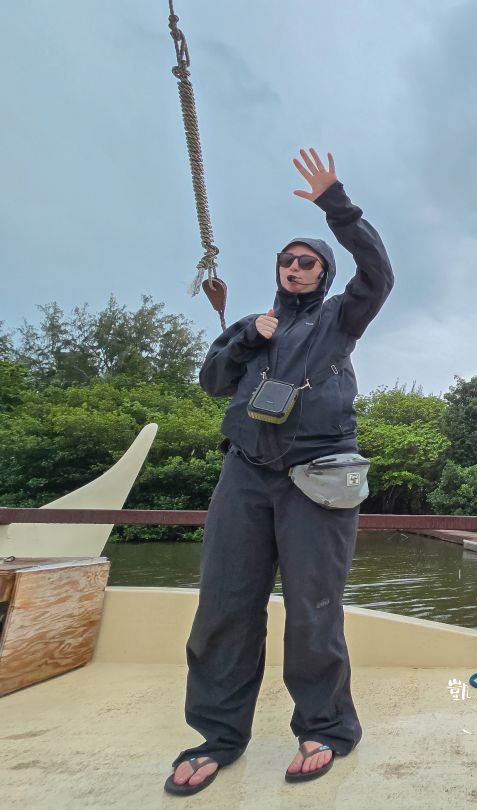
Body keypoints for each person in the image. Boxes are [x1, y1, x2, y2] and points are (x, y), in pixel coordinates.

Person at [164, 148, 393, 796]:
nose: (297, 267)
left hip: (316, 477)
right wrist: (247, 338)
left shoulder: (339, 319)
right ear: (278, 272)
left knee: (313, 609)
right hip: (244, 474)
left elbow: (379, 275)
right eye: (288, 260)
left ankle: (325, 728)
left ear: (323, 273)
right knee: (224, 607)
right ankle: (217, 737)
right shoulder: (250, 326)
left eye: (309, 261)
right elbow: (212, 383)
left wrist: (336, 204)